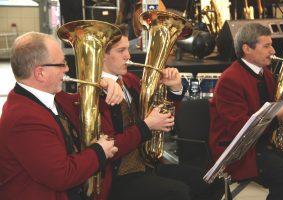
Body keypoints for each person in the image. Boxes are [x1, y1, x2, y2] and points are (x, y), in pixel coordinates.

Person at [97, 24, 225, 200]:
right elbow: (110, 147)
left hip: (149, 165)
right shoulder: (96, 91)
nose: (128, 56)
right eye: (121, 51)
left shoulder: (130, 80)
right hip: (119, 176)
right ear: (103, 55)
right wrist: (147, 126)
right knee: (179, 193)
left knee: (212, 181)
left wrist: (174, 89)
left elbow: (165, 115)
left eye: (127, 49)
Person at [0, 32, 123, 200]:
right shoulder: (22, 119)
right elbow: (62, 175)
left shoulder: (48, 96)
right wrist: (100, 151)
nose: (67, 68)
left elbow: (80, 103)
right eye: (62, 64)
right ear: (40, 73)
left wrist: (104, 86)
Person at [208, 23, 283, 200]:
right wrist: (277, 114)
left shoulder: (265, 73)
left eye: (271, 45)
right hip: (238, 152)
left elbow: (269, 106)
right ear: (247, 49)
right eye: (266, 46)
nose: (273, 50)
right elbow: (238, 129)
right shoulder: (230, 80)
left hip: (261, 144)